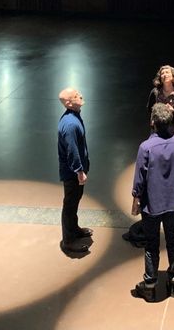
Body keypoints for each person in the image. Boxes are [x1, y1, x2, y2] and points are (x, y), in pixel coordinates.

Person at [131, 103, 174, 302]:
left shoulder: (146, 147)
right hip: (171, 201)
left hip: (151, 203)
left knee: (151, 243)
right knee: (172, 238)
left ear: (152, 122)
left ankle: (150, 283)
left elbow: (140, 177)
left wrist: (136, 198)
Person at [58, 87, 93, 253]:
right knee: (70, 204)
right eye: (76, 95)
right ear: (68, 103)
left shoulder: (74, 116)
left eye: (79, 92)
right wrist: (79, 171)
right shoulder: (71, 124)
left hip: (75, 172)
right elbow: (72, 151)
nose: (80, 95)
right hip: (72, 173)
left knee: (74, 202)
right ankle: (68, 240)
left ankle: (74, 230)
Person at [146, 65, 174, 137]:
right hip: (158, 127)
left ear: (173, 76)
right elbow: (150, 109)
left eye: (167, 72)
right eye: (162, 73)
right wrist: (152, 120)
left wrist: (173, 111)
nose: (165, 75)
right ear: (160, 77)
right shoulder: (155, 92)